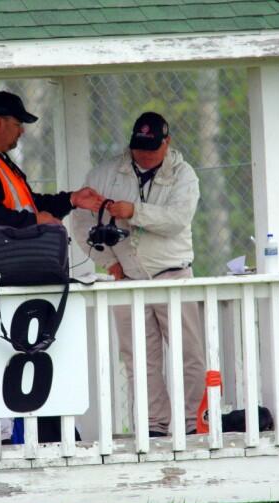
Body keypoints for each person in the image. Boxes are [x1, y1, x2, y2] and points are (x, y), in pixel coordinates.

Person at [0, 91, 104, 442]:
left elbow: (28, 204)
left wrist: (70, 200)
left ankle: (19, 433)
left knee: (9, 353)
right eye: (17, 125)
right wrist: (34, 222)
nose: (21, 133)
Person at [72, 112, 205, 437]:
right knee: (140, 358)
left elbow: (177, 218)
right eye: (138, 147)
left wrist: (135, 212)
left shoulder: (184, 176)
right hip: (128, 277)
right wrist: (109, 261)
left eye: (151, 148)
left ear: (167, 142)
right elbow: (80, 221)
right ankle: (153, 426)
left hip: (172, 275)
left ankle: (193, 423)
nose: (144, 154)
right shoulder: (105, 174)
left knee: (190, 353)